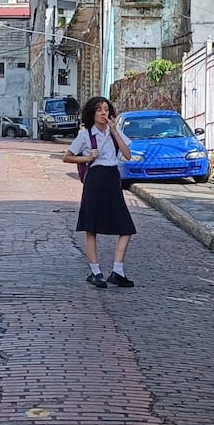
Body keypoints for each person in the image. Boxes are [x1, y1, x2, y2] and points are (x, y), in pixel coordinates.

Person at [63, 96, 134, 289]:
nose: (103, 113)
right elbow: (67, 157)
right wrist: (87, 158)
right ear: (92, 114)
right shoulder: (86, 135)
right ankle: (95, 272)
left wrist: (115, 132)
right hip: (95, 179)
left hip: (112, 178)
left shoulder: (114, 132)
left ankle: (118, 271)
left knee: (126, 227)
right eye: (99, 110)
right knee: (91, 226)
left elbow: (127, 155)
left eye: (106, 109)